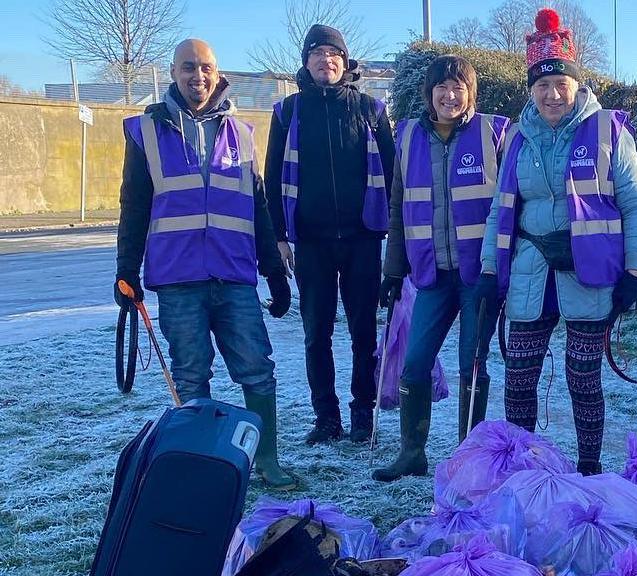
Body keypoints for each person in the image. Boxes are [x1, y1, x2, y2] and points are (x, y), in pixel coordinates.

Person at [114, 39, 297, 490]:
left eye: (206, 68)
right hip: (177, 281)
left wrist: (274, 271)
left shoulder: (243, 134)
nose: (198, 76)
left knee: (257, 369)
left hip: (234, 277)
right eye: (188, 68)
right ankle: (200, 464)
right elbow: (134, 206)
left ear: (218, 74)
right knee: (191, 375)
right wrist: (125, 271)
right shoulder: (146, 132)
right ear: (174, 73)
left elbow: (257, 207)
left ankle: (266, 460)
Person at [477, 8, 637, 476]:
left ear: (577, 83)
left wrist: (634, 269)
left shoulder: (609, 130)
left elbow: (635, 203)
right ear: (530, 89)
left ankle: (590, 470)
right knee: (519, 380)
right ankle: (524, 473)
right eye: (541, 85)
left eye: (561, 84)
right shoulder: (515, 136)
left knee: (582, 379)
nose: (552, 95)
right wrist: (489, 269)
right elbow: (499, 207)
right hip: (531, 273)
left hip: (589, 274)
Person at [372, 55, 510, 482]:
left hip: (478, 276)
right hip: (429, 275)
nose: (450, 96)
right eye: (441, 89)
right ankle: (412, 452)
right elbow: (398, 208)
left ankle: (469, 460)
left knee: (472, 362)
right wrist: (393, 272)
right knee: (414, 362)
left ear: (471, 92)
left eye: (458, 87)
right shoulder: (409, 136)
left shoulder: (493, 133)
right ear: (428, 94)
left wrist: (500, 268)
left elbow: (508, 208)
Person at [265, 25, 396, 446]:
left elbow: (393, 177)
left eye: (334, 53)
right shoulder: (287, 112)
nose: (327, 60)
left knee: (364, 332)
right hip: (310, 241)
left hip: (362, 239)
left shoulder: (372, 111)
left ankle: (363, 414)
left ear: (346, 61)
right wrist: (279, 237)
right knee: (316, 332)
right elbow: (271, 180)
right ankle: (326, 417)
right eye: (318, 53)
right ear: (306, 62)